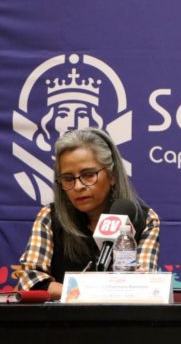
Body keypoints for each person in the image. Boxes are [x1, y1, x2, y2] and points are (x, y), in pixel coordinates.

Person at [17, 127, 160, 300]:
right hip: (62, 317)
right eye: (68, 179)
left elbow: (143, 286)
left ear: (112, 175)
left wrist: (80, 291)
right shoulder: (50, 217)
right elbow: (30, 281)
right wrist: (87, 292)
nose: (78, 186)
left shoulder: (144, 219)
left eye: (88, 175)